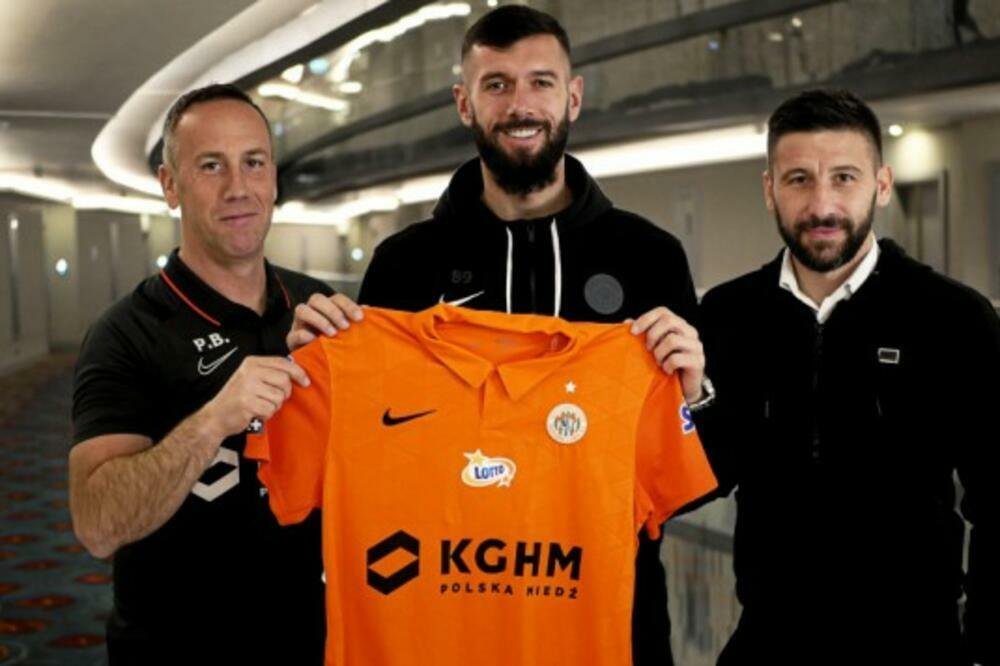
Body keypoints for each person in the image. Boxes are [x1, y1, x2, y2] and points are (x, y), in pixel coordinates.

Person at [288, 6, 712, 664]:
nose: (520, 105)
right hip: (434, 633)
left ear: (573, 97)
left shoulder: (648, 258)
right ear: (465, 103)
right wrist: (311, 378)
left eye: (541, 82)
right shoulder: (405, 263)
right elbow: (360, 458)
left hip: (604, 628)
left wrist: (694, 397)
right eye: (497, 85)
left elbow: (686, 484)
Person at [698, 88, 999, 665]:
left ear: (881, 185)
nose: (822, 205)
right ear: (770, 190)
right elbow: (704, 477)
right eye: (799, 180)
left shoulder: (954, 317)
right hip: (769, 642)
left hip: (916, 645)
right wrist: (693, 401)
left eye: (844, 178)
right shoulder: (729, 315)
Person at [68, 84, 350, 665]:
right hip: (175, 648)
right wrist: (213, 421)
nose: (238, 187)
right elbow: (97, 525)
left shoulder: (317, 306)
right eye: (211, 166)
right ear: (170, 186)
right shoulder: (125, 333)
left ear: (274, 179)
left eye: (254, 162)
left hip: (312, 640)